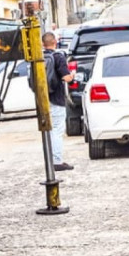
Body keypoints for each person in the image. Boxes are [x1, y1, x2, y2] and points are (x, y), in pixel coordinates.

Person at [41, 32, 74, 172]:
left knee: (47, 130)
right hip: (56, 98)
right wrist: (71, 75)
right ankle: (57, 161)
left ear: (43, 44)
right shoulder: (58, 57)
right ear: (55, 41)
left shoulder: (40, 58)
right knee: (57, 130)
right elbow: (66, 78)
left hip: (42, 99)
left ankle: (50, 160)